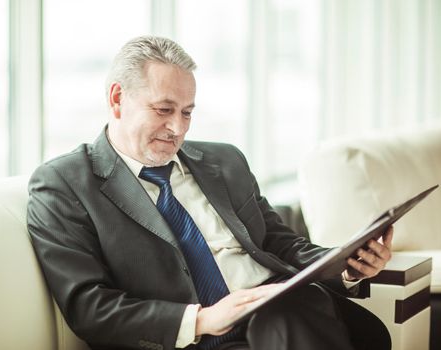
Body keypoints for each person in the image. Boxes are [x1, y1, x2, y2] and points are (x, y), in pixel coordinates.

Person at [27, 36, 393, 350]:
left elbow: (279, 242)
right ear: (118, 99)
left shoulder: (224, 160)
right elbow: (89, 307)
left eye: (187, 112)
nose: (177, 128)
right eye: (163, 110)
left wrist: (346, 264)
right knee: (287, 313)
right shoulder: (64, 184)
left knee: (286, 309)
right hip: (197, 336)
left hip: (285, 314)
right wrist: (202, 319)